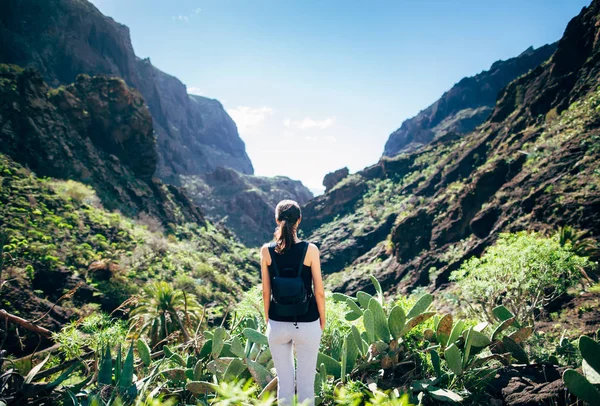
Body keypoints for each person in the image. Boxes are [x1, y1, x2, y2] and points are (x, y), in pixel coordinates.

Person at [260, 199, 326, 406]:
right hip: (307, 322)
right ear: (299, 220)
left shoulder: (266, 251)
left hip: (277, 323)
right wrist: (322, 320)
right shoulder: (311, 250)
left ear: (276, 219)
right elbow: (319, 292)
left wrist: (268, 319)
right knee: (307, 386)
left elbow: (265, 291)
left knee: (285, 386)